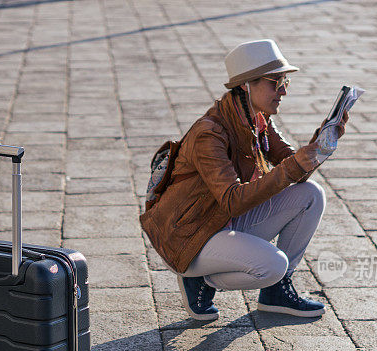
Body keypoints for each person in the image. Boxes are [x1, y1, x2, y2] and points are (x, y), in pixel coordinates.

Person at [140, 39, 349, 320]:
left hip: (218, 222)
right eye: (275, 82)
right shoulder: (210, 133)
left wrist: (322, 143)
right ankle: (200, 279)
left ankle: (275, 293)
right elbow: (232, 200)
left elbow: (295, 169)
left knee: (311, 194)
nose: (283, 90)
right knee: (272, 265)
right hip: (189, 236)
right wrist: (293, 166)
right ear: (245, 85)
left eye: (285, 81)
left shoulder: (257, 119)